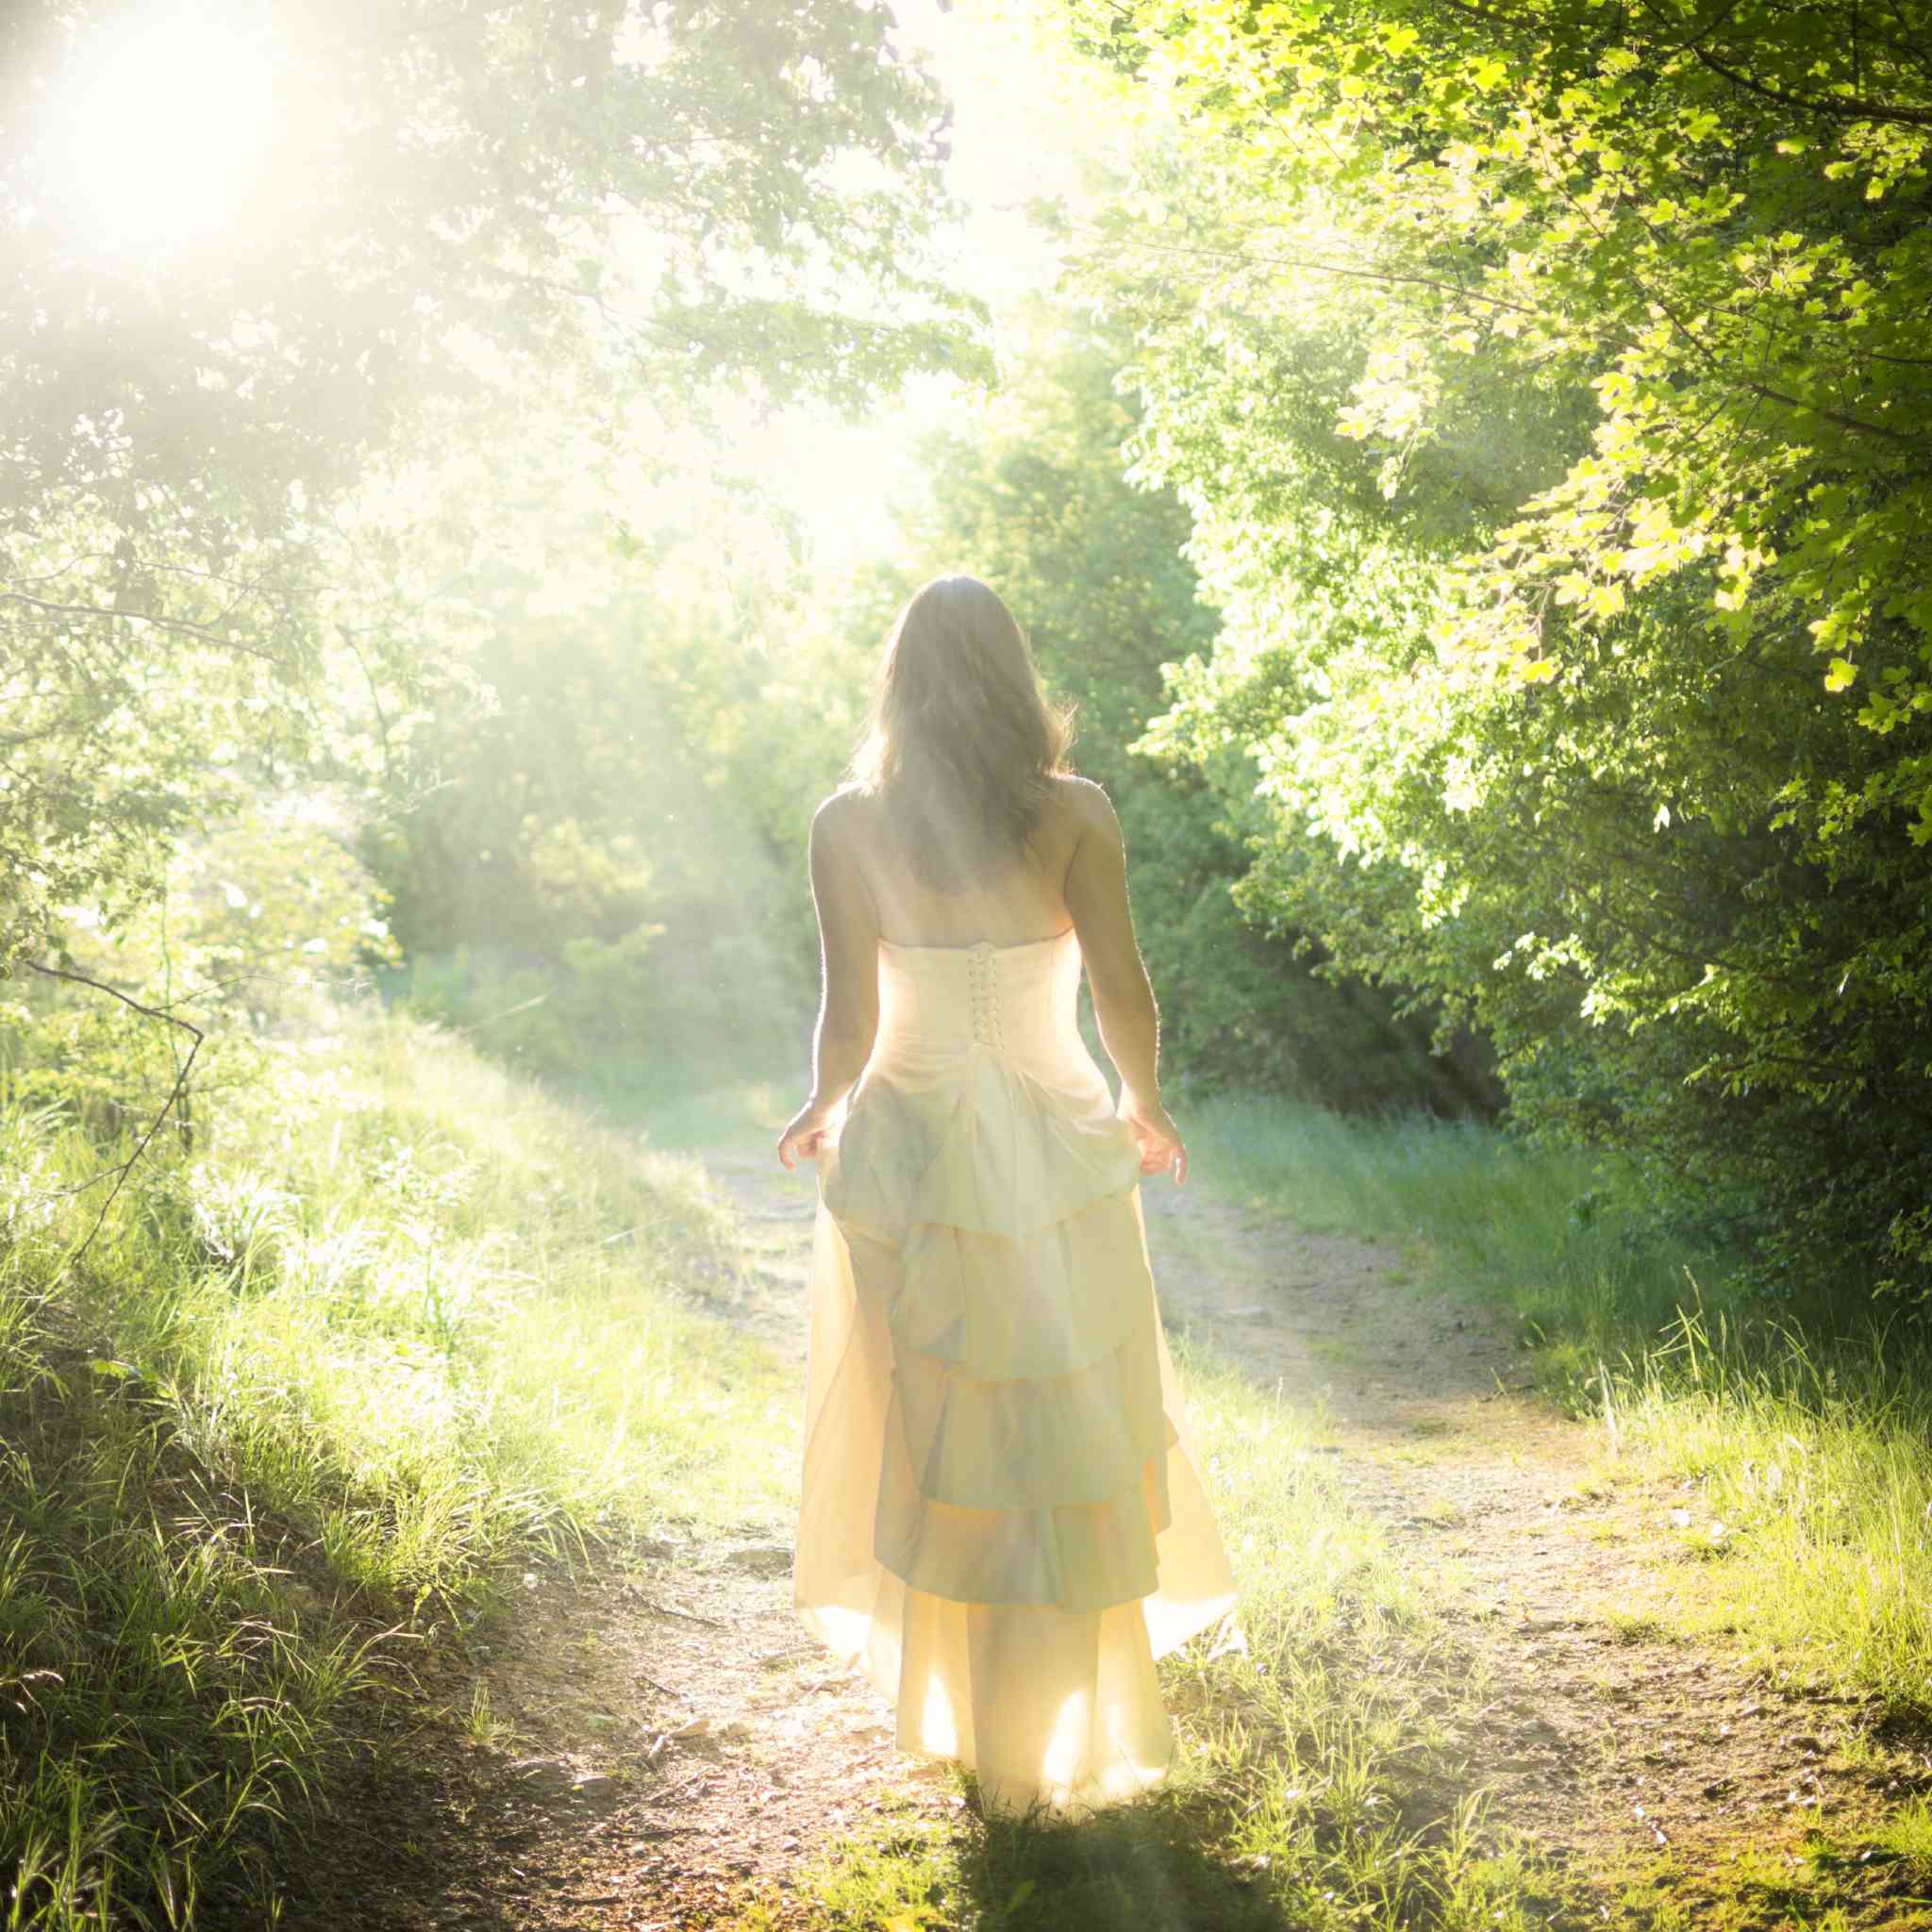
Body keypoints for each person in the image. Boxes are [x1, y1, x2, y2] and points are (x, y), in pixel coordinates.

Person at [776, 573, 1236, 1819]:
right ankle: (1052, 1738)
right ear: (1016, 677)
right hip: (1051, 1147)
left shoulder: (848, 822)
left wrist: (822, 1108)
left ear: (900, 682)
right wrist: (1142, 1104)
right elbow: (1124, 991)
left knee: (943, 1441)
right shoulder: (1075, 812)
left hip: (911, 1153)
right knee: (1062, 1441)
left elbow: (851, 1015)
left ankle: (984, 1742)